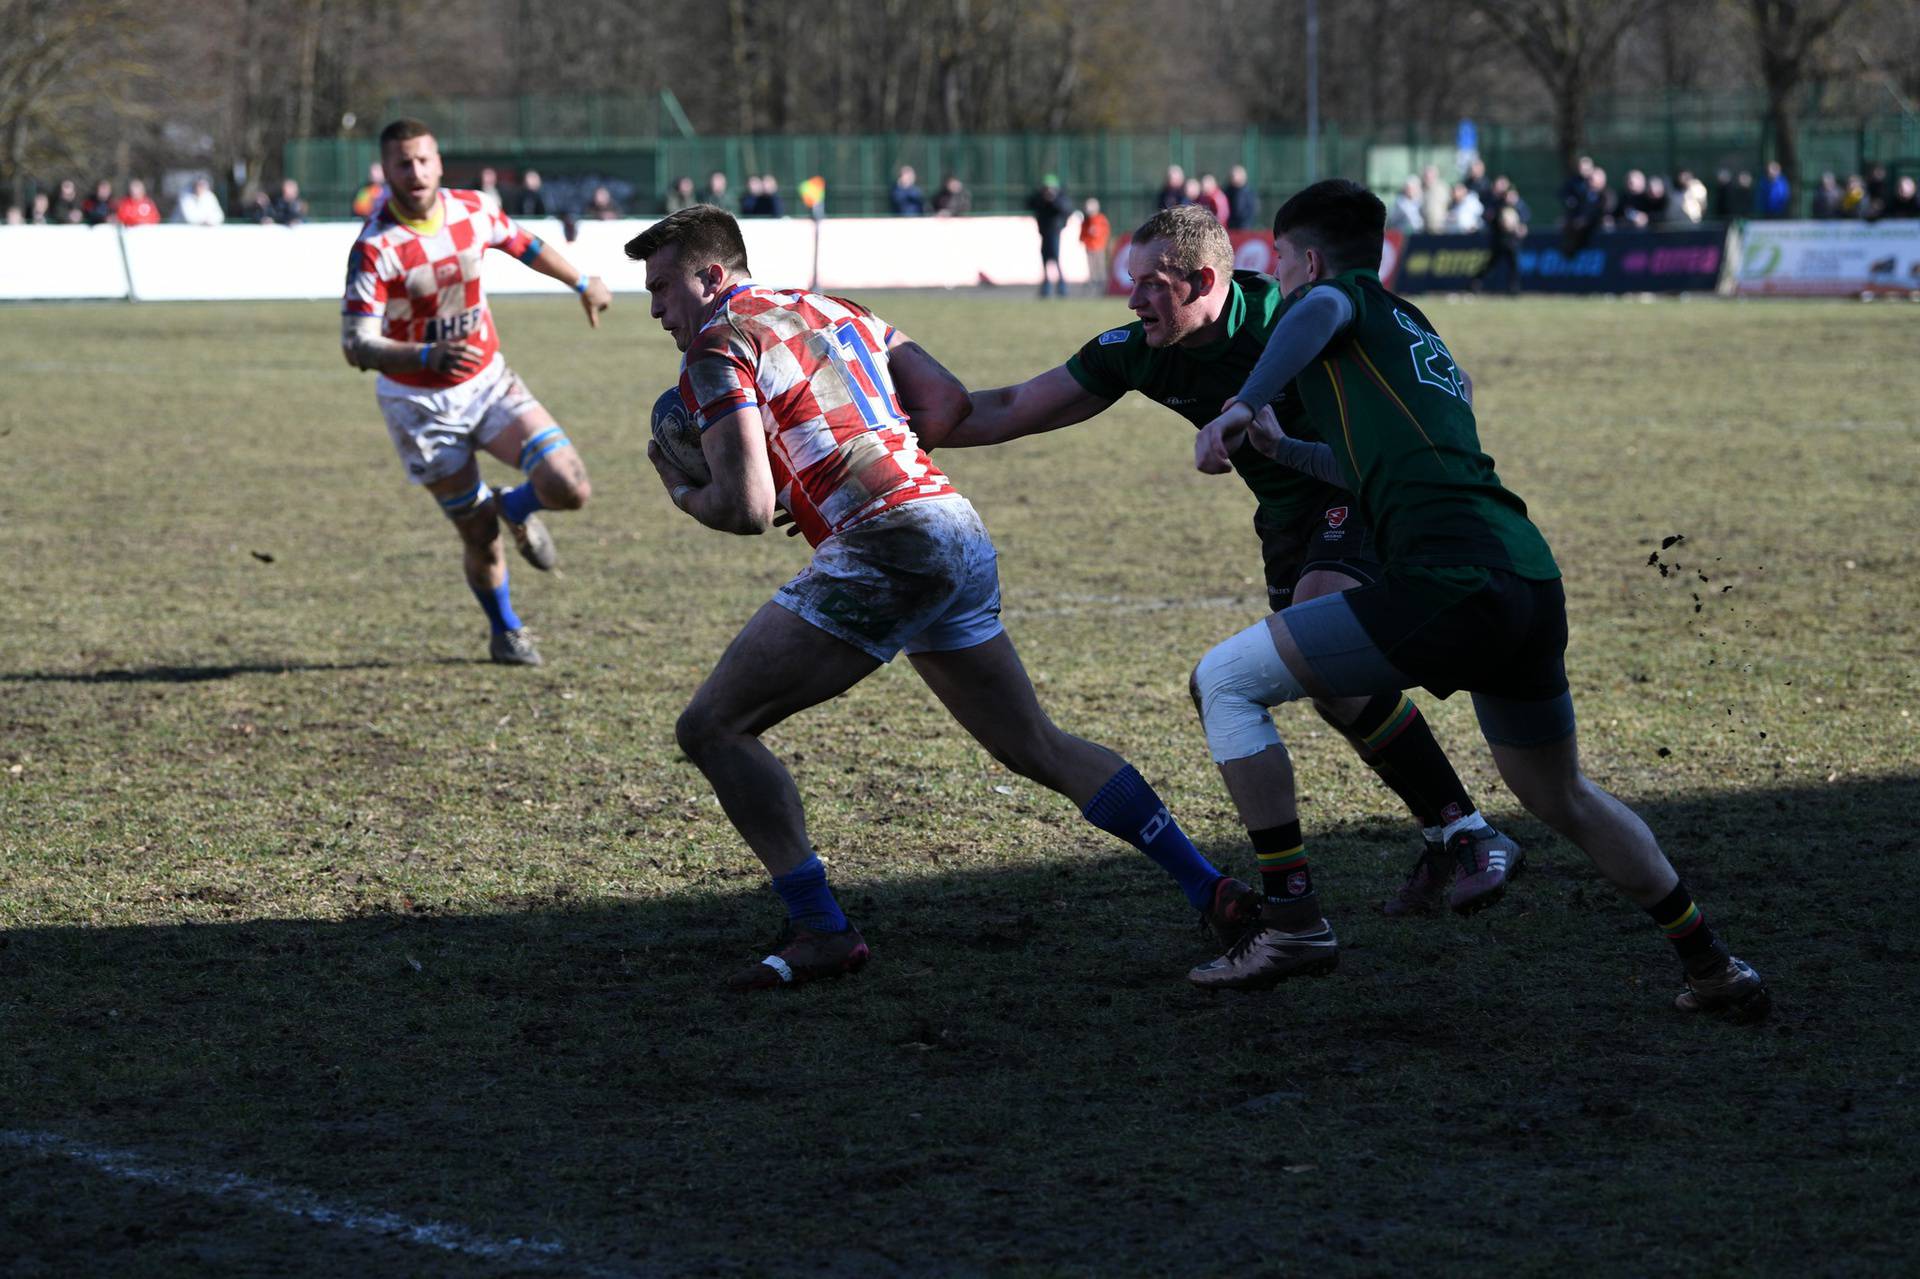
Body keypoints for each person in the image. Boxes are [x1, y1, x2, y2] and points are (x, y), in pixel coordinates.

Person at [1184, 179, 1769, 1022]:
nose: (1274, 282)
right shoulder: (1414, 331)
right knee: (1559, 793)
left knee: (1226, 682)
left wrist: (1240, 406)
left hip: (1450, 580)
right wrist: (1285, 446)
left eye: (1277, 263)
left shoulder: (1333, 300)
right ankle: (1712, 961)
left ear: (1308, 260)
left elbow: (1312, 315)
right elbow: (1371, 472)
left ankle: (1292, 925)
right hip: (1526, 575)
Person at [625, 205, 1250, 989]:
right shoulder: (839, 309)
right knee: (1034, 744)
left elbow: (746, 508)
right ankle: (1209, 884)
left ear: (713, 276)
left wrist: (680, 485)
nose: (656, 309)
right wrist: (842, 462)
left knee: (713, 727)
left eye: (663, 288)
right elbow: (946, 406)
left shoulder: (720, 344)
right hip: (952, 525)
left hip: (887, 542)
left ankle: (821, 926)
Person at [941, 204, 1523, 923]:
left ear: (1205, 279)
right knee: (1329, 683)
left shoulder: (1293, 309)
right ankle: (1454, 831)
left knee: (1318, 638)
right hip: (1283, 523)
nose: (1132, 299)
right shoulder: (1141, 348)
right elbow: (1008, 406)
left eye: (1150, 283)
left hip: (1355, 499)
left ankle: (1408, 859)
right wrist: (889, 432)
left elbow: (1448, 379)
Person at [339, 118, 611, 667]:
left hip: (488, 383)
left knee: (570, 485)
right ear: (385, 170)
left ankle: (515, 504)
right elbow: (356, 343)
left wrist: (580, 282)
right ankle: (505, 631)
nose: (414, 172)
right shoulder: (374, 248)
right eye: (401, 163)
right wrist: (422, 355)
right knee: (477, 533)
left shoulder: (471, 209)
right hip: (419, 406)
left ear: (438, 162)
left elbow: (522, 243)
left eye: (422, 160)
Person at [1472, 184, 1526, 294]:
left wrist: (1520, 228)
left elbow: (1523, 224)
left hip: (1513, 242)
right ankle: (1475, 283)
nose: (1511, 198)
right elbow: (1494, 221)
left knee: (1514, 266)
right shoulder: (1498, 206)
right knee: (1490, 265)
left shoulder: (1519, 207)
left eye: (1513, 196)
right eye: (1509, 196)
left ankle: (1514, 289)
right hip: (1500, 241)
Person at [1028, 173, 1072, 298]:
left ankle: (1062, 288)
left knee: (1056, 259)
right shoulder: (1040, 199)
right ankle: (1046, 288)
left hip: (1055, 232)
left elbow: (1065, 209)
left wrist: (1053, 200)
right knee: (1045, 260)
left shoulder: (1060, 198)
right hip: (1044, 233)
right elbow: (1031, 203)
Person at [1078, 197, 1111, 296]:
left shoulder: (1101, 219)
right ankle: (1094, 288)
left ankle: (1103, 287)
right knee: (1092, 268)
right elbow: (1082, 234)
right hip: (1089, 247)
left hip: (1099, 247)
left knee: (1100, 267)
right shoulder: (1086, 221)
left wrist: (1103, 242)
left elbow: (1105, 232)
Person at [1226, 164, 1258, 230]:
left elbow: (1252, 209)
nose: (1232, 178)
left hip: (1245, 227)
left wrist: (1245, 222)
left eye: (1234, 175)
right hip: (1231, 227)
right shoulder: (1228, 191)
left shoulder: (1249, 192)